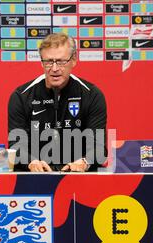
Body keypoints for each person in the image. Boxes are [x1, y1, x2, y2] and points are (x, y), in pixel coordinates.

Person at [8, 33, 107, 172]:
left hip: (78, 179)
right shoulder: (21, 96)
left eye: (61, 61)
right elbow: (16, 146)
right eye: (49, 61)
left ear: (73, 60)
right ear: (41, 62)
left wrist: (84, 162)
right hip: (34, 178)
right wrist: (31, 162)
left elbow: (98, 148)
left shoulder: (92, 95)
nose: (54, 69)